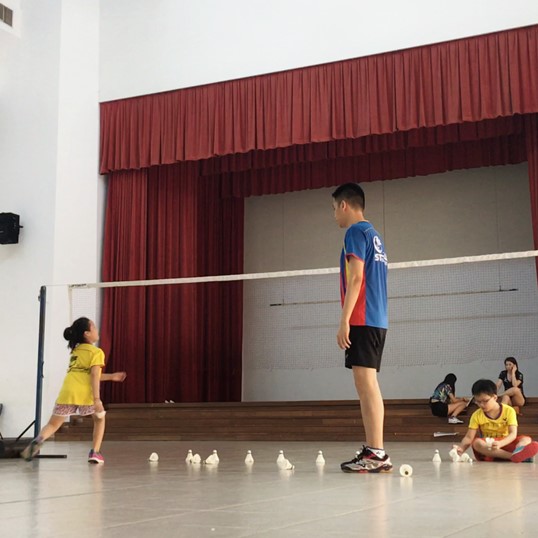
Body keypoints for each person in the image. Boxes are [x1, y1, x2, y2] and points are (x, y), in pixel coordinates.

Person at [332, 183, 392, 473]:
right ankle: (375, 450)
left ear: (344, 205)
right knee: (368, 386)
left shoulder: (354, 232)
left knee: (366, 386)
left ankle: (376, 453)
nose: (334, 216)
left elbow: (356, 279)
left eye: (334, 209)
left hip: (362, 318)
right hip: (377, 318)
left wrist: (344, 319)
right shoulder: (375, 235)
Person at [21, 317, 127, 464]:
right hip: (84, 393)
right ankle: (95, 452)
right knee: (99, 419)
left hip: (67, 390)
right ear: (87, 334)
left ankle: (38, 440)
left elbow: (84, 374)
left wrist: (111, 377)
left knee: (53, 424)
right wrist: (97, 400)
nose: (97, 330)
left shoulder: (76, 351)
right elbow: (94, 376)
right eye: (94, 327)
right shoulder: (96, 352)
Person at [455, 379, 538, 463]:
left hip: (506, 442)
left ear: (495, 397)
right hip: (489, 447)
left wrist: (501, 443)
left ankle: (519, 450)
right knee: (476, 443)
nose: (482, 405)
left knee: (526, 439)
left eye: (485, 401)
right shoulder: (476, 415)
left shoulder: (508, 411)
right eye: (478, 402)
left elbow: (513, 434)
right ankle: (513, 456)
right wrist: (461, 448)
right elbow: (469, 437)